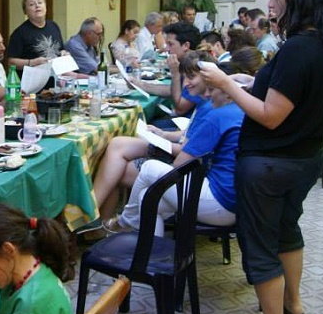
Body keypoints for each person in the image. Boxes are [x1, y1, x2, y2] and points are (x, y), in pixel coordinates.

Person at [200, 0, 323, 314]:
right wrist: (250, 83)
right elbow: (294, 97)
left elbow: (270, 116)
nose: (271, 3)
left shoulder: (299, 48)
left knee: (261, 245)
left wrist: (226, 84)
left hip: (269, 165)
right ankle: (293, 304)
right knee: (287, 231)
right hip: (305, 158)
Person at [104, 77, 243, 232]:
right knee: (146, 197)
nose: (207, 94)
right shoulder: (240, 111)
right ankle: (151, 254)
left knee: (150, 168)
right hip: (238, 203)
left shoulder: (218, 115)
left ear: (229, 93)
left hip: (220, 200)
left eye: (212, 89)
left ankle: (126, 221)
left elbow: (180, 165)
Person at [92, 52, 215, 222]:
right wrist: (163, 134)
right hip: (179, 151)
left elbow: (186, 153)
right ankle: (96, 216)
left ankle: (97, 218)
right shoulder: (205, 103)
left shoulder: (210, 108)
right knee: (117, 144)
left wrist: (162, 140)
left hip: (185, 167)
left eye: (191, 77)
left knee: (116, 168)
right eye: (185, 77)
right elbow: (190, 133)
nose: (186, 83)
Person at [130, 22, 202, 118]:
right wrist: (139, 85)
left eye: (170, 44)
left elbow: (180, 109)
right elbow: (172, 90)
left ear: (185, 45)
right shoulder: (186, 63)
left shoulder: (197, 69)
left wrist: (175, 73)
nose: (167, 49)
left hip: (184, 125)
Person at [6, 0, 67, 70]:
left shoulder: (54, 26)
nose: (37, 6)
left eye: (40, 2)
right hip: (33, 79)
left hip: (56, 77)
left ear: (46, 6)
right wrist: (32, 62)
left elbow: (61, 49)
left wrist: (64, 54)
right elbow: (11, 62)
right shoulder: (19, 33)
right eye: (32, 4)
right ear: (25, 11)